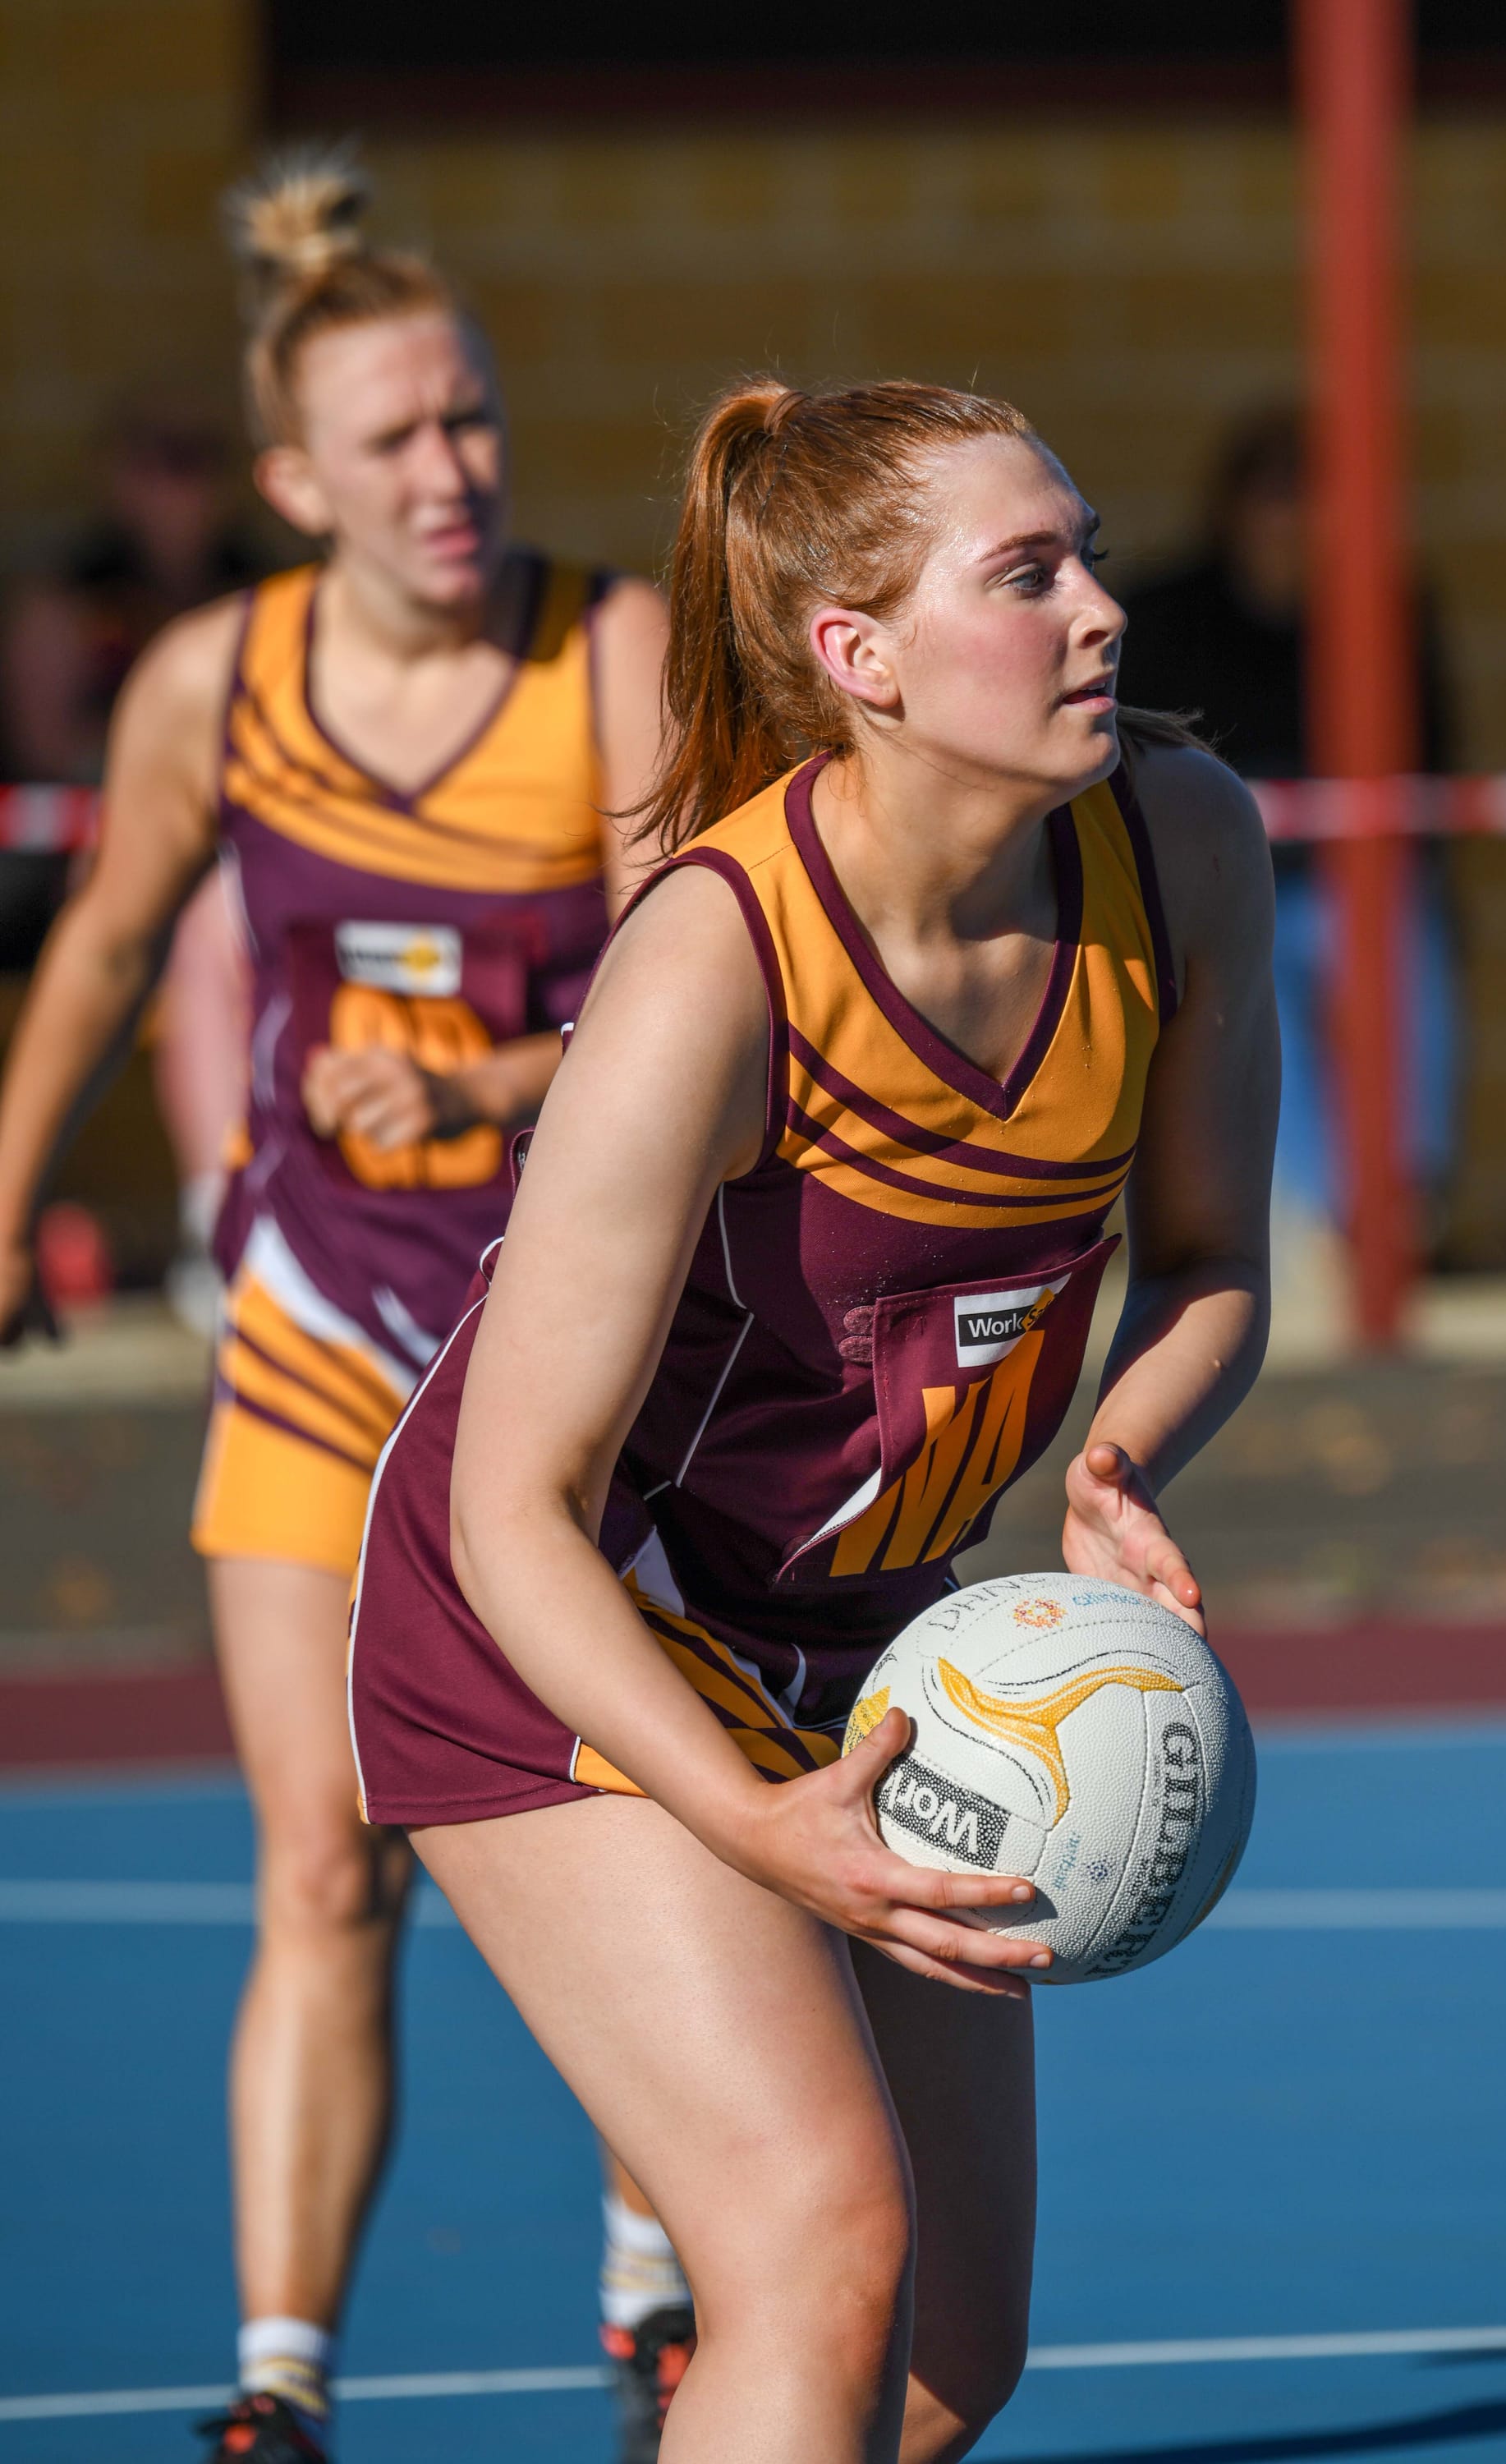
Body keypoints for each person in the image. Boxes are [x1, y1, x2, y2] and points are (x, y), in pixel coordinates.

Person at [348, 376, 1279, 2462]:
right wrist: (745, 1814)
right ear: (855, 656)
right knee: (812, 2240)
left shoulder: (1177, 843)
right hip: (559, 1618)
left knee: (950, 2354)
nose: (1099, 613)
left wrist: (1117, 1449)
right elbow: (513, 1505)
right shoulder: (718, 953)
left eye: (1090, 554)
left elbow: (1216, 1256)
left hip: (872, 1619)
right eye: (1023, 575)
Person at [0, 155, 680, 2464]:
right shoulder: (220, 680)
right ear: (296, 482)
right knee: (320, 1854)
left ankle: (659, 2265)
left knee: (643, 1809)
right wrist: (4, 1198)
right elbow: (103, 949)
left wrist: (492, 1073)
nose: (451, 470)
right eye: (395, 440)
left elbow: (706, 1006)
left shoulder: (614, 656)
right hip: (313, 1327)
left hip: (575, 1348)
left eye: (474, 420)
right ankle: (279, 2384)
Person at [1116, 408, 1457, 1256]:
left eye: (1310, 501)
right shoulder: (1165, 614)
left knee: (1403, 949)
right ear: (1232, 510)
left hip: (1356, 880)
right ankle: (1319, 1212)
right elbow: (1130, 761)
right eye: (1273, 500)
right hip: (1221, 883)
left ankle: (1401, 1197)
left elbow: (1431, 758)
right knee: (1251, 988)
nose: (1290, 524)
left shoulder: (1384, 608)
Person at [0, 393, 269, 1324]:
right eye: (157, 458)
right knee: (168, 915)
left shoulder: (264, 595)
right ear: (118, 474)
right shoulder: (71, 595)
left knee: (212, 918)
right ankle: (208, 1220)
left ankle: (231, 1222)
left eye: (197, 458)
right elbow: (47, 748)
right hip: (83, 862)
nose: (177, 486)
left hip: (227, 869)